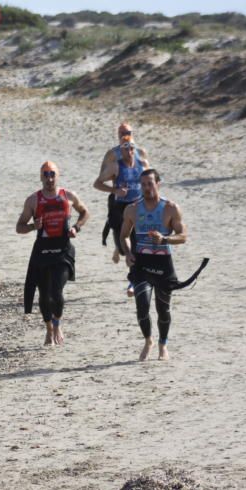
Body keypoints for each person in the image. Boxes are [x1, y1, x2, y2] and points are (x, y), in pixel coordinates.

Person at [119, 169, 203, 361]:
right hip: (141, 263)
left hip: (163, 264)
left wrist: (164, 239)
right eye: (143, 185)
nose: (147, 188)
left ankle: (162, 344)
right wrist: (128, 253)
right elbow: (124, 235)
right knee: (142, 306)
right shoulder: (132, 209)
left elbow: (183, 236)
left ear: (158, 183)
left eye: (150, 183)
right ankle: (148, 340)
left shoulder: (171, 208)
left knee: (162, 309)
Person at [17, 162, 90, 346]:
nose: (49, 178)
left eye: (53, 174)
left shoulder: (69, 196)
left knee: (56, 291)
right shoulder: (33, 200)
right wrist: (34, 226)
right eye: (46, 175)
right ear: (41, 177)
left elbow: (85, 212)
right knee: (43, 295)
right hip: (42, 251)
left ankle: (57, 323)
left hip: (63, 251)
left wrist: (76, 227)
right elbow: (19, 227)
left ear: (58, 175)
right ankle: (49, 327)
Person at [94, 135, 149, 295]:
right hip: (120, 208)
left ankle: (133, 281)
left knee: (137, 244)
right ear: (121, 150)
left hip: (138, 207)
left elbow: (152, 182)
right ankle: (120, 251)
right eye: (126, 148)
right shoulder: (115, 166)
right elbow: (97, 183)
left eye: (132, 147)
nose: (130, 151)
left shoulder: (143, 164)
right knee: (124, 246)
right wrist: (115, 190)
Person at [95, 123, 152, 264]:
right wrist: (116, 189)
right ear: (117, 135)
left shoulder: (141, 154)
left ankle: (133, 276)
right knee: (122, 239)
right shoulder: (112, 155)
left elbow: (149, 179)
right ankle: (118, 247)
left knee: (137, 240)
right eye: (121, 133)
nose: (124, 134)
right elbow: (100, 177)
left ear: (133, 133)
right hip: (119, 203)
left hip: (137, 203)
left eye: (128, 132)